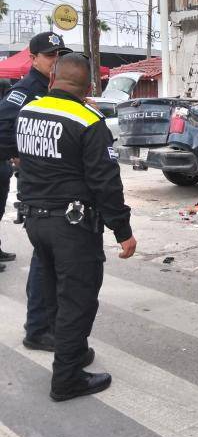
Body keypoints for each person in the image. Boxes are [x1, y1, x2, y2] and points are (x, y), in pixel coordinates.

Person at [18, 53, 136, 401]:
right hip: (71, 225)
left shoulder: (29, 111)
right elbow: (106, 183)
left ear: (53, 79)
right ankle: (67, 379)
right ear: (89, 88)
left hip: (35, 220)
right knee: (77, 300)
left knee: (55, 289)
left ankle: (73, 351)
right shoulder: (88, 120)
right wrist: (122, 230)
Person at [0, 31, 71, 345]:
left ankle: (46, 325)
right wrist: (19, 155)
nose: (56, 61)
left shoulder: (54, 89)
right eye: (50, 56)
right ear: (34, 58)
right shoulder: (26, 90)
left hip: (54, 188)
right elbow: (4, 130)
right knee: (45, 261)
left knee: (51, 262)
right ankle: (38, 330)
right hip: (38, 191)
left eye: (59, 55)